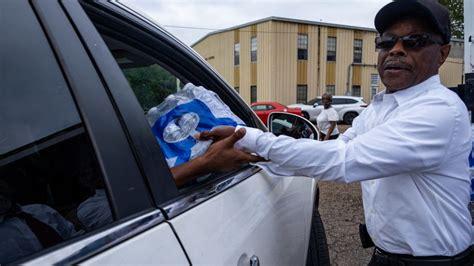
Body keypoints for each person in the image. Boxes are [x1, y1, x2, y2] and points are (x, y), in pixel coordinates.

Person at [196, 0, 474, 264]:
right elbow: (336, 147)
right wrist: (249, 153)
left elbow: (342, 159)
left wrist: (246, 136)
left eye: (414, 42)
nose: (396, 50)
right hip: (386, 256)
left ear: (443, 53)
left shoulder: (440, 110)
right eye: (386, 42)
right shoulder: (381, 107)